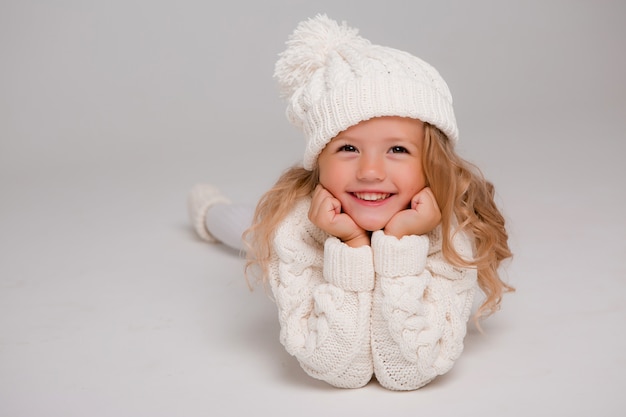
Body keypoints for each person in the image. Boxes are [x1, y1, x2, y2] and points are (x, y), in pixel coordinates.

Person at [188, 14, 513, 391]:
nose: (370, 172)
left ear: (432, 162)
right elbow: (334, 366)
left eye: (397, 149)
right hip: (315, 226)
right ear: (318, 161)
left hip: (400, 230)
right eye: (347, 148)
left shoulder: (450, 232)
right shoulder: (296, 228)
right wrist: (350, 245)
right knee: (249, 230)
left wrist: (400, 245)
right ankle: (210, 212)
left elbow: (410, 370)